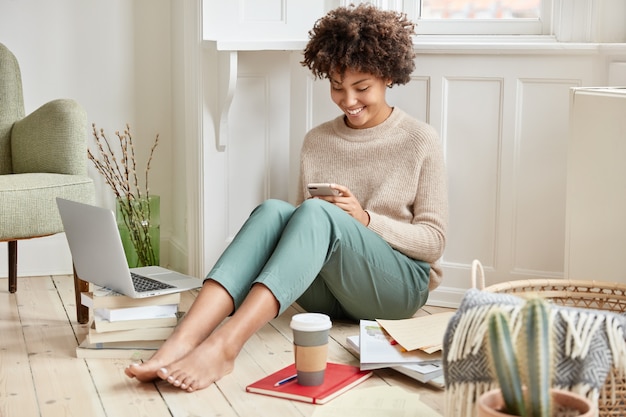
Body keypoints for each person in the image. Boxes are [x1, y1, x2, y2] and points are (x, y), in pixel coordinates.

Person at [124, 3, 448, 393]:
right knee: (274, 211)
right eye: (336, 86)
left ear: (387, 76)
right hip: (328, 296)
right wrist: (321, 219)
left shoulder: (419, 140)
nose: (348, 100)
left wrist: (364, 220)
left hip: (396, 289)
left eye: (361, 87)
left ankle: (225, 347)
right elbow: (301, 232)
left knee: (312, 213)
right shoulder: (318, 141)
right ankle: (179, 343)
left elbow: (433, 242)